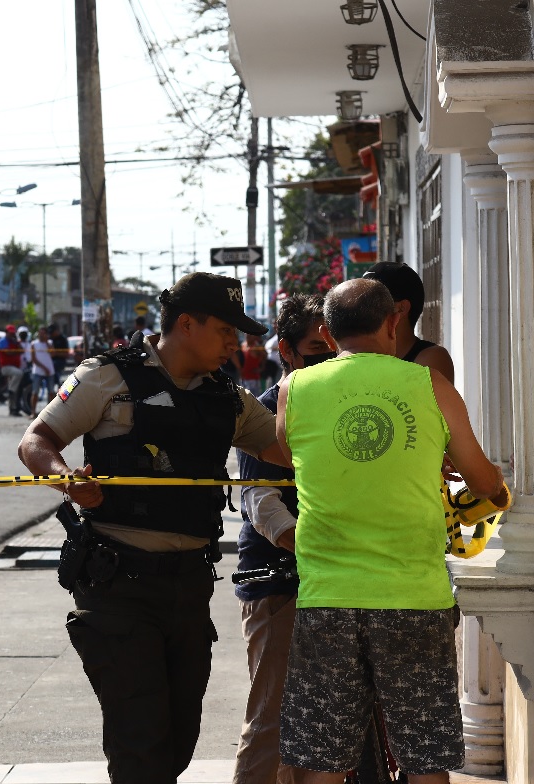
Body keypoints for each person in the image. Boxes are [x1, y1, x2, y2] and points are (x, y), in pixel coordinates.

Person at [17, 272, 284, 784]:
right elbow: (36, 440)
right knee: (139, 740)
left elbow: (286, 452)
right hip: (118, 585)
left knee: (177, 738)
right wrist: (66, 480)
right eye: (226, 330)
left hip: (188, 586)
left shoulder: (225, 397)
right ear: (186, 324)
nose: (236, 342)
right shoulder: (106, 376)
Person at [276, 278, 507, 784]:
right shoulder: (429, 384)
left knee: (322, 757)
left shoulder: (294, 389)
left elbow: (299, 458)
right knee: (424, 756)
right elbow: (485, 482)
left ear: (329, 333)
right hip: (413, 598)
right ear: (392, 322)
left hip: (326, 597)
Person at [232, 294, 334, 784]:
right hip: (280, 583)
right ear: (286, 352)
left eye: (334, 345)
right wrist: (315, 549)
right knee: (273, 719)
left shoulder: (344, 408)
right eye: (317, 347)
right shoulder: (267, 410)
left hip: (339, 581)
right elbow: (261, 503)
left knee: (324, 725)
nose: (328, 356)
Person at [362, 261, 454, 383]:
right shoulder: (360, 354)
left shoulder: (430, 359)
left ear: (401, 308)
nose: (361, 308)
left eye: (371, 301)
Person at [27, 325, 55, 418]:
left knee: (51, 392)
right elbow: (33, 359)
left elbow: (53, 353)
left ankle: (50, 413)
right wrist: (44, 368)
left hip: (50, 371)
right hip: (38, 371)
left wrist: (47, 342)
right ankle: (33, 412)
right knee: (35, 392)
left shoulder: (50, 343)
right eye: (40, 333)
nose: (41, 335)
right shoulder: (34, 344)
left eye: (43, 333)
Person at [0, 324, 25, 416]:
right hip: (6, 367)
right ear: (6, 333)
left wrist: (17, 343)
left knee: (14, 391)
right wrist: (15, 351)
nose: (11, 335)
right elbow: (7, 353)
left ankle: (12, 409)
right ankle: (11, 389)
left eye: (13, 333)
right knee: (19, 374)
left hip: (14, 367)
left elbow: (22, 350)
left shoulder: (15, 342)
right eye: (10, 333)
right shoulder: (3, 341)